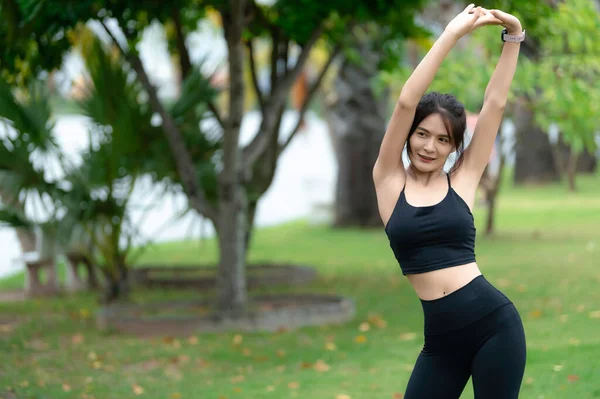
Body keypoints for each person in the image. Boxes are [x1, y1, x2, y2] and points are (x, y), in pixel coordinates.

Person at [373, 5, 526, 399]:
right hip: (440, 343)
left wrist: (513, 38)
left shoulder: (463, 180)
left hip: (495, 326)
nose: (429, 146)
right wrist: (451, 34)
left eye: (443, 140)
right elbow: (406, 102)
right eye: (422, 134)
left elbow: (494, 106)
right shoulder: (388, 180)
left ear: (455, 147)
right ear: (409, 135)